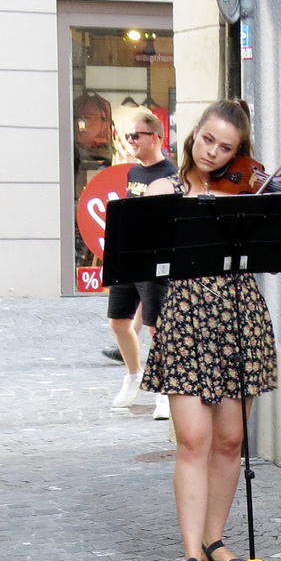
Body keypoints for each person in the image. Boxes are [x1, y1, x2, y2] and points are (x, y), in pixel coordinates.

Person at [141, 99, 277, 561]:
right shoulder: (164, 188)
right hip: (186, 318)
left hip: (238, 314)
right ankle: (191, 556)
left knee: (230, 441)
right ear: (192, 134)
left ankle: (216, 540)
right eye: (207, 140)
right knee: (194, 440)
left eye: (227, 148)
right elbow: (147, 257)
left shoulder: (245, 191)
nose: (214, 154)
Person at [108, 109, 174, 419]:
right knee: (118, 321)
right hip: (128, 255)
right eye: (128, 136)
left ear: (156, 137)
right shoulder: (133, 173)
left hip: (154, 260)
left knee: (155, 327)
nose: (131, 141)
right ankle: (134, 376)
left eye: (137, 135)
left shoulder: (170, 175)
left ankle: (163, 390)